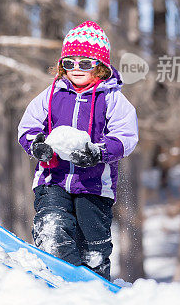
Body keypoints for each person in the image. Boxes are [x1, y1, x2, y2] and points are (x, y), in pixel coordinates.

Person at [17, 21, 138, 279]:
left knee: (92, 244)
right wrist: (37, 145)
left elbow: (126, 137)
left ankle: (94, 281)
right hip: (53, 178)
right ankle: (60, 272)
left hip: (94, 184)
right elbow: (27, 126)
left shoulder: (112, 98)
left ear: (101, 66)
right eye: (69, 63)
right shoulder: (51, 95)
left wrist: (98, 152)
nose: (76, 69)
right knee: (53, 226)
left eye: (85, 63)